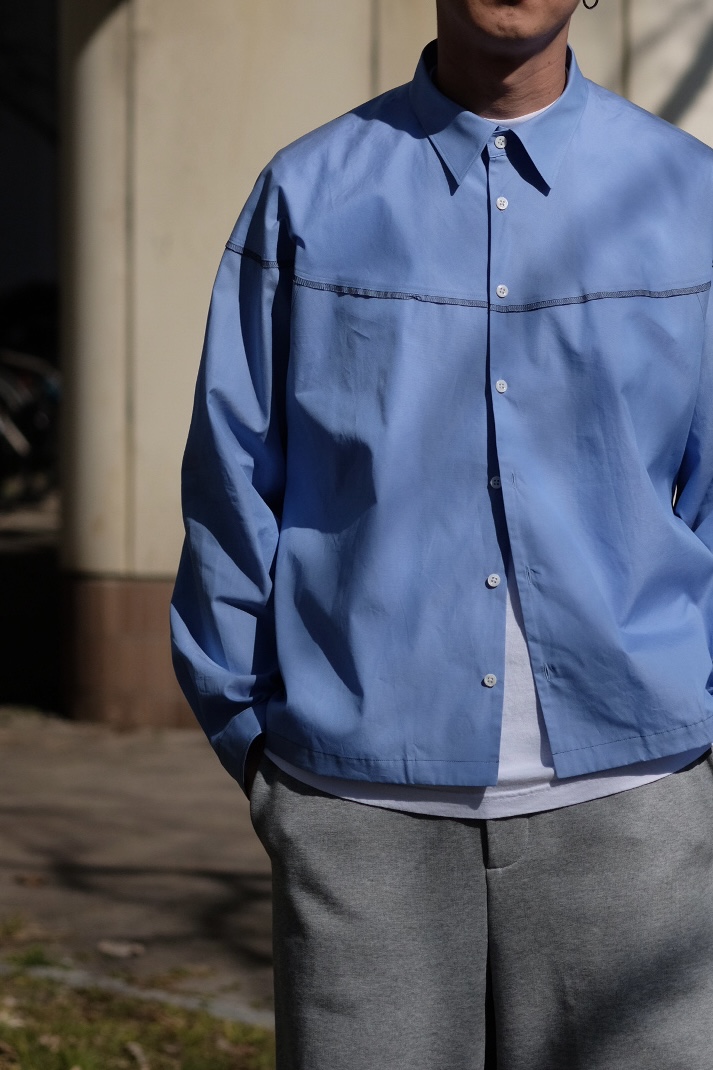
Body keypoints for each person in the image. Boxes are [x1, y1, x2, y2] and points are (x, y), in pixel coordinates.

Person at [170, 1, 713, 1066]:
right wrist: (269, 760)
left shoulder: (685, 197)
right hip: (358, 812)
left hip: (635, 805)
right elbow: (232, 488)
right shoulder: (308, 194)